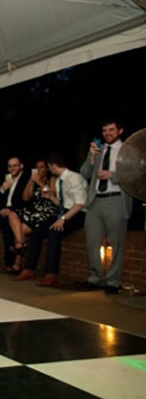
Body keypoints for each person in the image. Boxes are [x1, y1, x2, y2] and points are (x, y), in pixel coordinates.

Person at [13, 153, 87, 286]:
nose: (48, 170)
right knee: (37, 232)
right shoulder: (59, 180)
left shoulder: (74, 178)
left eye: (48, 167)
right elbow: (61, 203)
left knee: (54, 232)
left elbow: (80, 204)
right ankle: (29, 269)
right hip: (64, 211)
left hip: (78, 213)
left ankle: (51, 274)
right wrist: (51, 198)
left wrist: (63, 219)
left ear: (53, 166)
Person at [79, 120, 133, 294]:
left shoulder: (127, 151)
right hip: (95, 201)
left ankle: (113, 281)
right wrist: (92, 156)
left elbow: (135, 174)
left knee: (117, 243)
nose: (107, 133)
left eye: (111, 130)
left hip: (116, 200)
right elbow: (85, 173)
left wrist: (112, 175)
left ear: (120, 130)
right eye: (104, 130)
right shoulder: (98, 150)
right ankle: (95, 278)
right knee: (92, 241)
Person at [6, 159, 58, 273]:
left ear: (47, 169)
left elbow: (52, 195)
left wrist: (39, 182)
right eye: (37, 168)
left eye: (42, 167)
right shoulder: (33, 180)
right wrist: (31, 181)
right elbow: (25, 197)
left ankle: (17, 264)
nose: (39, 170)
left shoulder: (52, 179)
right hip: (33, 211)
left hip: (46, 212)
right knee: (12, 215)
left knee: (21, 229)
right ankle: (20, 245)